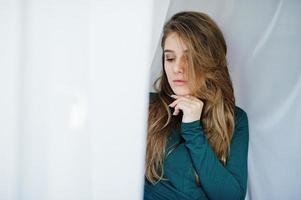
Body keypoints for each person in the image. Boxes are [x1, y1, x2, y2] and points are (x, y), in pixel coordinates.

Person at [144, 11, 249, 200]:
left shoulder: (235, 119)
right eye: (170, 58)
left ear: (208, 59)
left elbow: (232, 197)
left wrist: (193, 130)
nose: (177, 67)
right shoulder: (147, 106)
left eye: (188, 57)